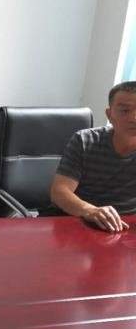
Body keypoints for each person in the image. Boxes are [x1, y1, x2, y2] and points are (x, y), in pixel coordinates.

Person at [50, 81, 136, 232]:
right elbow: (59, 192)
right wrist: (90, 210)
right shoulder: (85, 140)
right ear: (109, 115)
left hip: (125, 228)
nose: (133, 118)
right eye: (124, 111)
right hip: (78, 221)